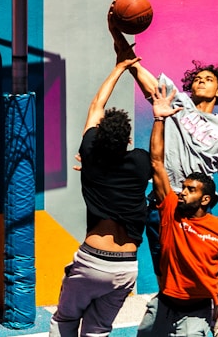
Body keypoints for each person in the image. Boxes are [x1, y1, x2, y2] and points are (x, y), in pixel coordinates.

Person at [108, 3, 218, 336]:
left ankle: (205, 317)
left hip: (195, 211)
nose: (200, 80)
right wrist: (116, 33)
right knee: (169, 278)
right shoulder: (174, 102)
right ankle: (201, 318)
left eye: (208, 79)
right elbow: (136, 68)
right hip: (164, 204)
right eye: (197, 77)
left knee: (194, 273)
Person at [135, 85, 218, 336]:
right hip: (165, 304)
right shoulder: (169, 211)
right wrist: (158, 119)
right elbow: (156, 162)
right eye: (183, 188)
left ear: (206, 198)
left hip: (196, 310)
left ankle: (214, 318)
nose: (182, 192)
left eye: (190, 190)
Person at [49, 52, 167, 337]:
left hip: (92, 261)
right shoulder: (140, 162)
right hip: (125, 268)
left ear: (99, 136)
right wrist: (159, 118)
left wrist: (118, 68)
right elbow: (158, 159)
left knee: (64, 321)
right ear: (127, 140)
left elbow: (96, 106)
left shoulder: (89, 152)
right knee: (98, 329)